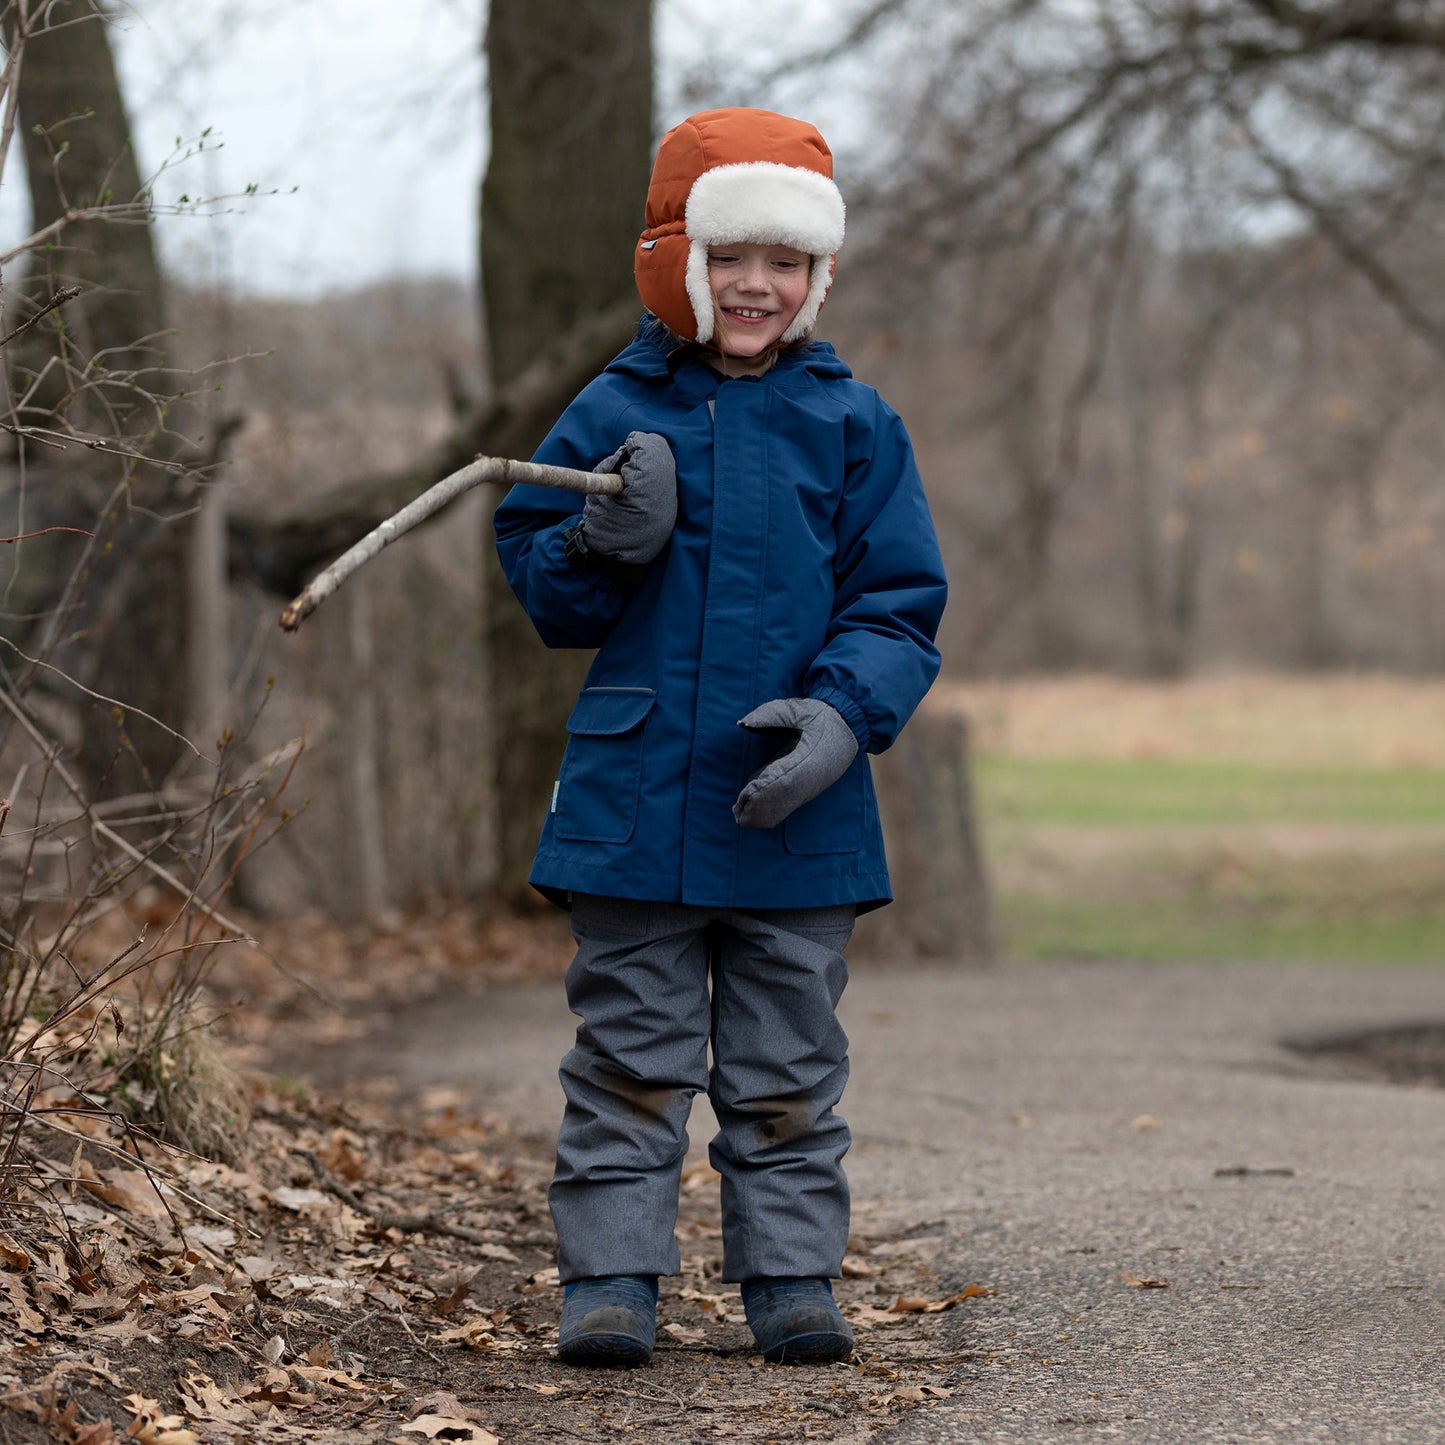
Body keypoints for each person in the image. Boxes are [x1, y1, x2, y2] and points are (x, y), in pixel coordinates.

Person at [492, 107, 948, 1369]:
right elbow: (542, 586)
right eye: (731, 256)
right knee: (628, 1060)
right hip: (636, 803)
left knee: (786, 1065)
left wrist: (840, 715)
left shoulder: (853, 422)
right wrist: (594, 544)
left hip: (796, 807)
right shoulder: (609, 406)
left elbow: (897, 603)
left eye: (784, 262)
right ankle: (610, 1283)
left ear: (816, 277)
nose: (757, 284)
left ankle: (792, 1279)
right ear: (677, 260)